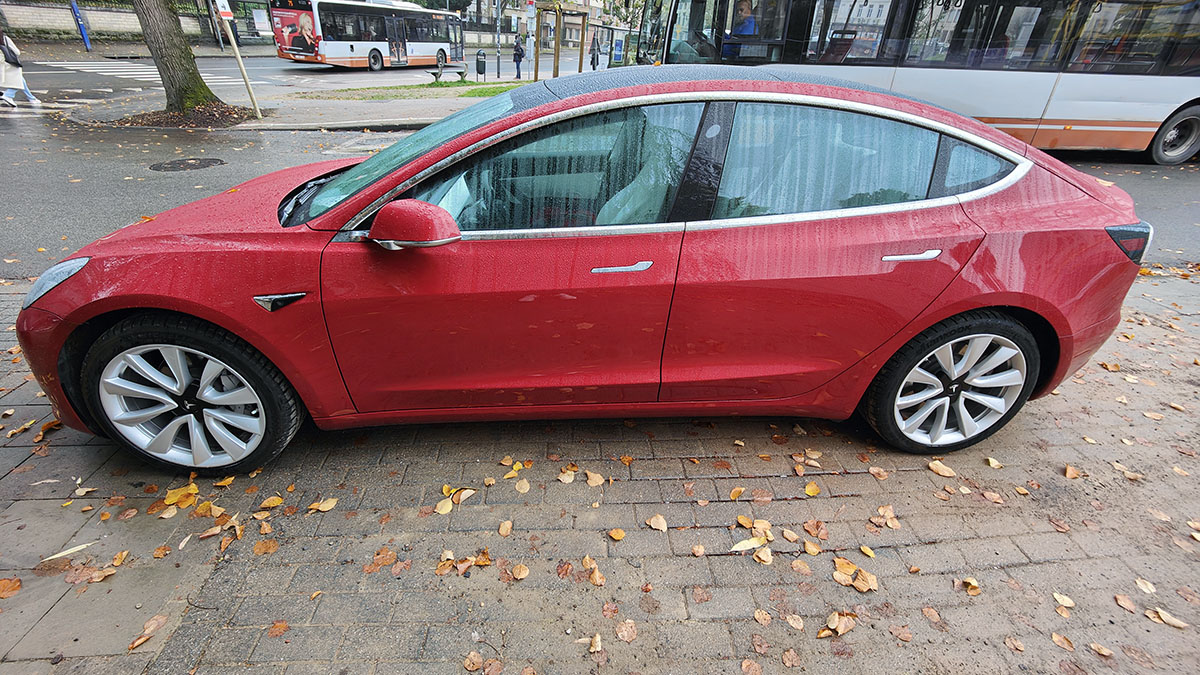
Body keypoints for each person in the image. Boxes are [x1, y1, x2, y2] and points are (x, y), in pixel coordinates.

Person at [1, 28, 40, 108]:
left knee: (20, 79)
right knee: (18, 78)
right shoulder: (5, 38)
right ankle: (8, 95)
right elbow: (17, 52)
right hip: (7, 63)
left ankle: (31, 98)